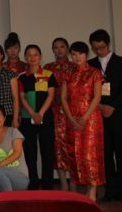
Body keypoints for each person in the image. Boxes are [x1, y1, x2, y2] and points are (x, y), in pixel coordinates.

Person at [87, 29, 122, 203]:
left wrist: (112, 106)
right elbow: (87, 92)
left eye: (102, 47)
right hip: (98, 116)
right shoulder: (90, 65)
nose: (99, 51)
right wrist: (100, 106)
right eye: (95, 48)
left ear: (108, 44)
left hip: (119, 114)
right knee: (105, 155)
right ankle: (110, 191)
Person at [62, 41, 105, 201]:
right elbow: (63, 98)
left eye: (80, 53)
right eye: (73, 54)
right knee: (74, 154)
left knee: (90, 156)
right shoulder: (68, 73)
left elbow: (97, 97)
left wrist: (84, 117)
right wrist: (71, 118)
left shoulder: (94, 72)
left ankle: (92, 191)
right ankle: (78, 190)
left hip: (91, 120)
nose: (77, 57)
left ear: (86, 54)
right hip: (72, 119)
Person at [17, 44, 57, 190]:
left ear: (40, 57)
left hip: (45, 118)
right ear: (25, 57)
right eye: (29, 55)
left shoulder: (48, 74)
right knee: (30, 152)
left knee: (47, 152)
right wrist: (33, 114)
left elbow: (51, 95)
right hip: (27, 118)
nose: (32, 57)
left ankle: (47, 185)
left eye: (35, 54)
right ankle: (33, 183)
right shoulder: (21, 77)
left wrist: (40, 113)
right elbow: (22, 97)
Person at [44, 36, 75, 191]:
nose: (59, 50)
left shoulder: (75, 66)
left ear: (67, 48)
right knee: (57, 148)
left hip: (72, 113)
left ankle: (74, 183)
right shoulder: (47, 68)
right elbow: (43, 91)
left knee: (73, 148)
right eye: (55, 47)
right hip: (54, 113)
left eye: (62, 46)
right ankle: (63, 183)